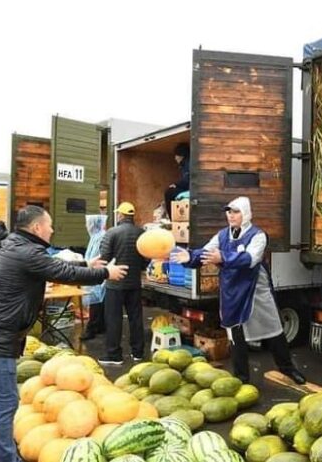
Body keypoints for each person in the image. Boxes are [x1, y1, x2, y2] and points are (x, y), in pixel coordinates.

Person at [0, 205, 128, 462]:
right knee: (5, 404)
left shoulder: (17, 245)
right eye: (49, 225)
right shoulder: (27, 251)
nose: (51, 230)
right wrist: (105, 272)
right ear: (37, 227)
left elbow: (50, 266)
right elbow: (63, 272)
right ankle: (5, 458)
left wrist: (86, 263)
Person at [171, 197, 306, 385]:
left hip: (256, 289)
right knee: (235, 334)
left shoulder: (258, 235)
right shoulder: (222, 235)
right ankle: (241, 378)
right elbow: (207, 252)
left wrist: (223, 257)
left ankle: (287, 368)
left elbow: (250, 258)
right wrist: (190, 256)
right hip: (232, 289)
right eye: (229, 212)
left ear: (246, 213)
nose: (231, 215)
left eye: (236, 212)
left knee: (274, 329)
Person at [98, 202, 146, 364]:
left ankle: (114, 355)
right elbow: (147, 258)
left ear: (120, 215)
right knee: (136, 318)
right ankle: (138, 353)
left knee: (113, 319)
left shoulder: (112, 233)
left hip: (115, 283)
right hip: (134, 283)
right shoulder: (142, 233)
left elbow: (103, 257)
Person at [80, 214, 108, 341]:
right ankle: (100, 326)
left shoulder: (100, 237)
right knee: (98, 301)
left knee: (95, 301)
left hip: (97, 273)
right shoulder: (96, 237)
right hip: (96, 272)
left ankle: (92, 328)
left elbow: (96, 256)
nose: (86, 226)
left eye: (88, 223)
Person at [164, 142, 190, 218]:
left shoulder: (187, 164)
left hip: (190, 188)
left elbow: (187, 180)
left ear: (181, 156)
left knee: (169, 193)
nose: (175, 158)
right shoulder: (185, 164)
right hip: (188, 187)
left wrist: (176, 185)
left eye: (176, 155)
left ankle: (172, 218)